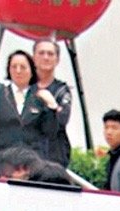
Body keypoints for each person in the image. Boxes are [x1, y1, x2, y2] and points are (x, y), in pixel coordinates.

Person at [0, 50, 52, 177]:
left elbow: (50, 131)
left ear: (31, 70)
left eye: (23, 67)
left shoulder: (39, 96)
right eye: (14, 67)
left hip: (32, 163)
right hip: (3, 161)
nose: (18, 71)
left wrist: (51, 106)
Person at [31, 37, 71, 167]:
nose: (46, 57)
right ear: (33, 58)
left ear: (57, 60)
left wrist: (51, 103)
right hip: (28, 155)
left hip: (54, 156)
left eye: (50, 54)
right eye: (41, 53)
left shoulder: (62, 90)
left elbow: (62, 119)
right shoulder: (25, 88)